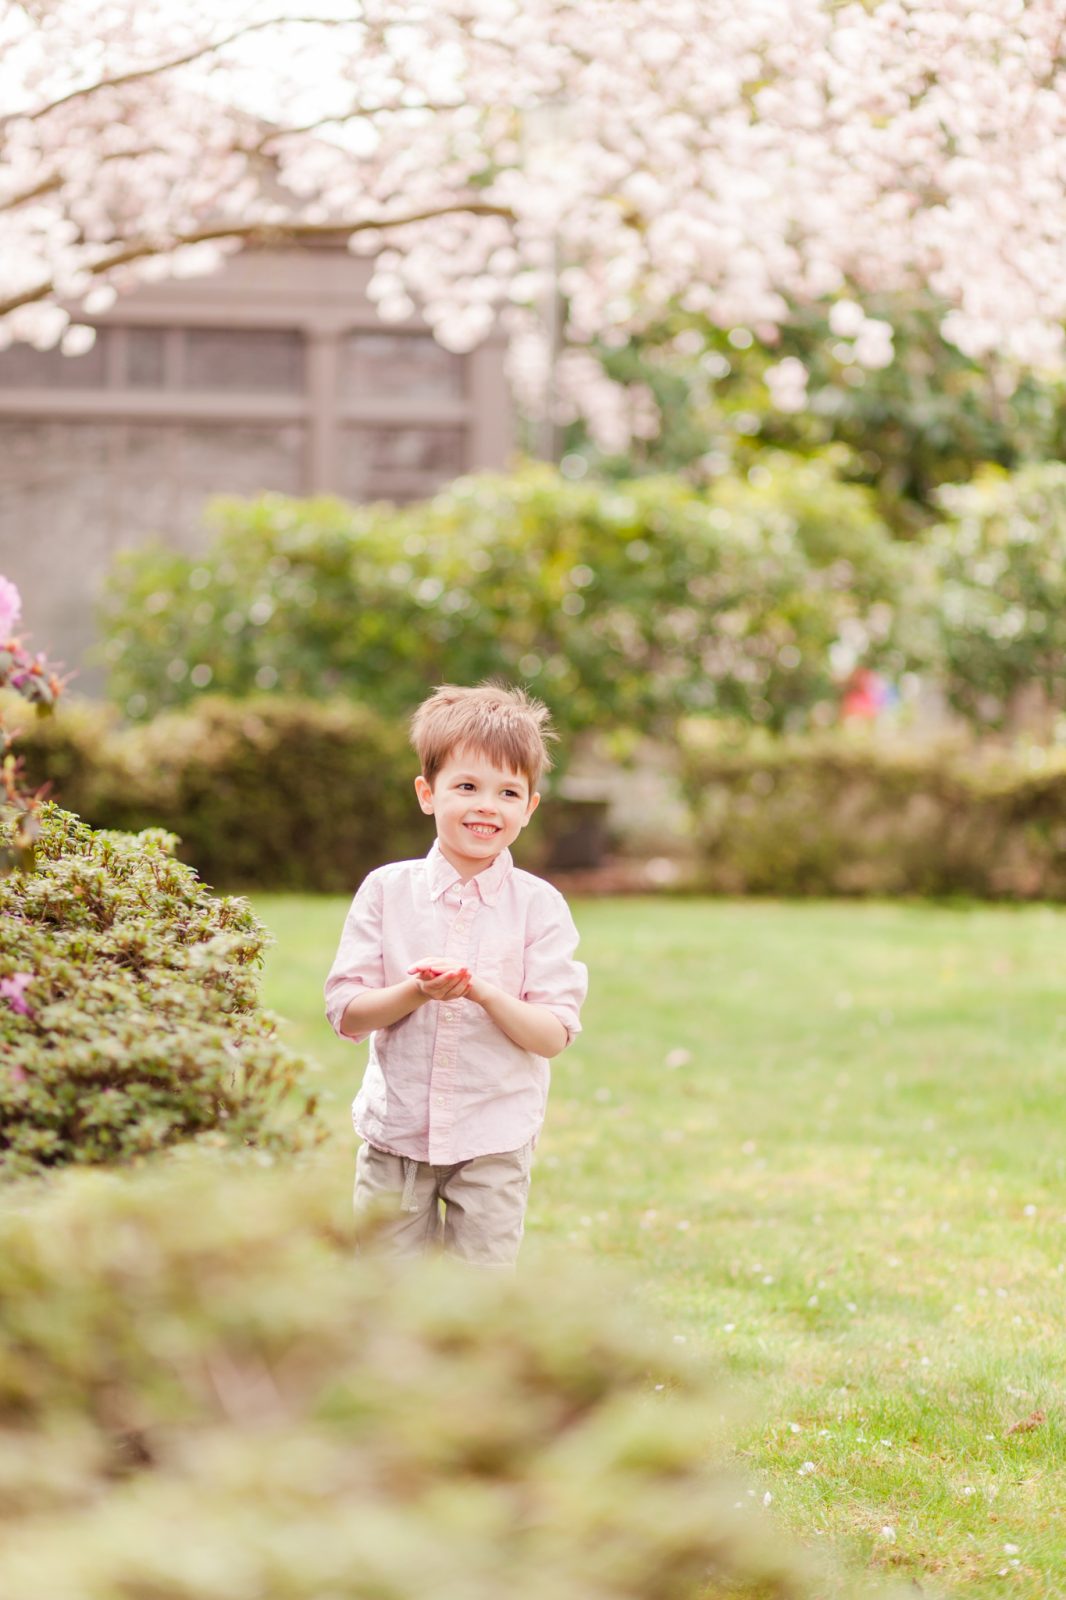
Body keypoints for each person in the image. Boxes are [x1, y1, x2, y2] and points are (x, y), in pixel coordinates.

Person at [324, 683, 588, 1268]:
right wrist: (416, 991)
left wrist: (483, 992)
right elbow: (345, 1012)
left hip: (493, 1137)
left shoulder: (539, 907)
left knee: (477, 1300)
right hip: (396, 1137)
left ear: (530, 806)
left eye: (507, 792)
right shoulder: (387, 892)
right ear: (427, 793)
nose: (486, 806)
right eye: (466, 786)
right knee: (386, 1291)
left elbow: (552, 1035)